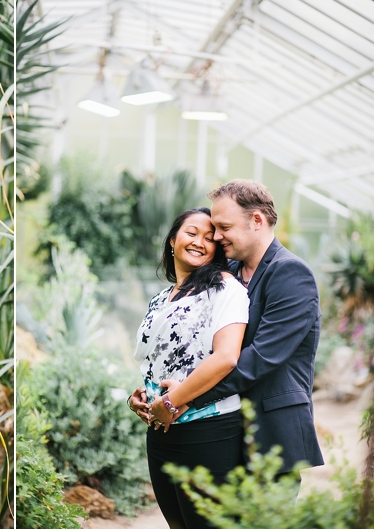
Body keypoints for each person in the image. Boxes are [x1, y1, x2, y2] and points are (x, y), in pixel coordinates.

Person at [131, 180, 324, 507]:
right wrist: (154, 394)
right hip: (222, 430)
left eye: (223, 227)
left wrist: (181, 399)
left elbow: (259, 359)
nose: (216, 237)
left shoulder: (291, 275)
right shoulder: (226, 272)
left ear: (257, 221)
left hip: (269, 431)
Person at [127, 207, 250, 528]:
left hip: (209, 430)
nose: (200, 242)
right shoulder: (160, 299)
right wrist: (140, 396)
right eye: (191, 233)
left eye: (210, 239)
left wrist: (171, 400)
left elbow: (226, 357)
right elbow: (154, 360)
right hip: (160, 432)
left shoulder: (225, 288)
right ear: (172, 240)